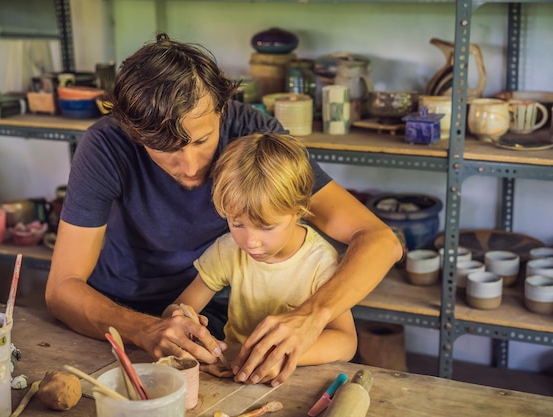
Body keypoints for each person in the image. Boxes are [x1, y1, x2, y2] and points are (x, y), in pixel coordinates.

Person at [45, 33, 402, 387]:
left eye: (202, 140)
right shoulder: (105, 145)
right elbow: (62, 289)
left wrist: (312, 316)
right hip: (117, 308)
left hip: (212, 313)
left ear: (221, 109)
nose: (190, 165)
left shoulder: (256, 138)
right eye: (166, 149)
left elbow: (379, 240)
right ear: (133, 133)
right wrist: (146, 328)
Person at [162, 133, 357, 373]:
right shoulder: (228, 250)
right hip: (237, 370)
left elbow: (346, 342)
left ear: (299, 209)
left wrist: (282, 356)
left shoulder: (320, 262)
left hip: (295, 374)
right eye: (237, 224)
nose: (251, 241)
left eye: (266, 227)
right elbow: (182, 307)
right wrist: (179, 317)